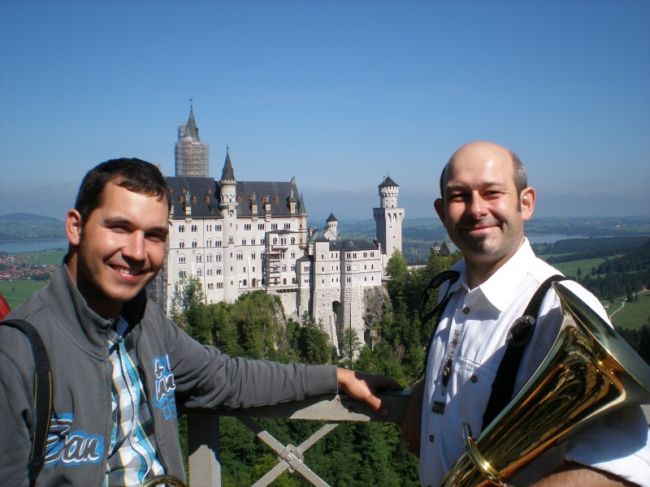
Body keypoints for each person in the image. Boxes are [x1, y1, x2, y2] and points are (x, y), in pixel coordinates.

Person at [0, 158, 399, 486]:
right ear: (75, 227)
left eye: (155, 235)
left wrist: (337, 377)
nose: (137, 252)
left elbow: (229, 378)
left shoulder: (145, 325)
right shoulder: (17, 356)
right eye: (119, 227)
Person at [401, 141, 650, 487]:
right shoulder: (451, 288)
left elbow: (624, 466)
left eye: (492, 193)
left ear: (526, 202)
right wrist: (424, 393)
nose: (476, 209)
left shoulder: (561, 309)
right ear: (442, 212)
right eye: (460, 196)